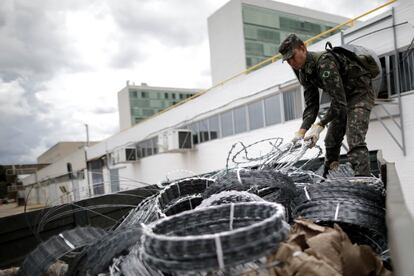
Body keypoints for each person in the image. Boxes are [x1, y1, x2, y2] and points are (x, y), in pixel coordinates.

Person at [278, 34, 375, 177]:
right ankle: (331, 175)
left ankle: (363, 181)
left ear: (303, 48)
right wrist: (301, 131)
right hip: (342, 99)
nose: (291, 62)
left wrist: (320, 125)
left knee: (354, 138)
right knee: (331, 140)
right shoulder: (303, 72)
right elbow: (312, 105)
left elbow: (339, 102)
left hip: (360, 93)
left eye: (292, 56)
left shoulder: (324, 63)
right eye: (287, 60)